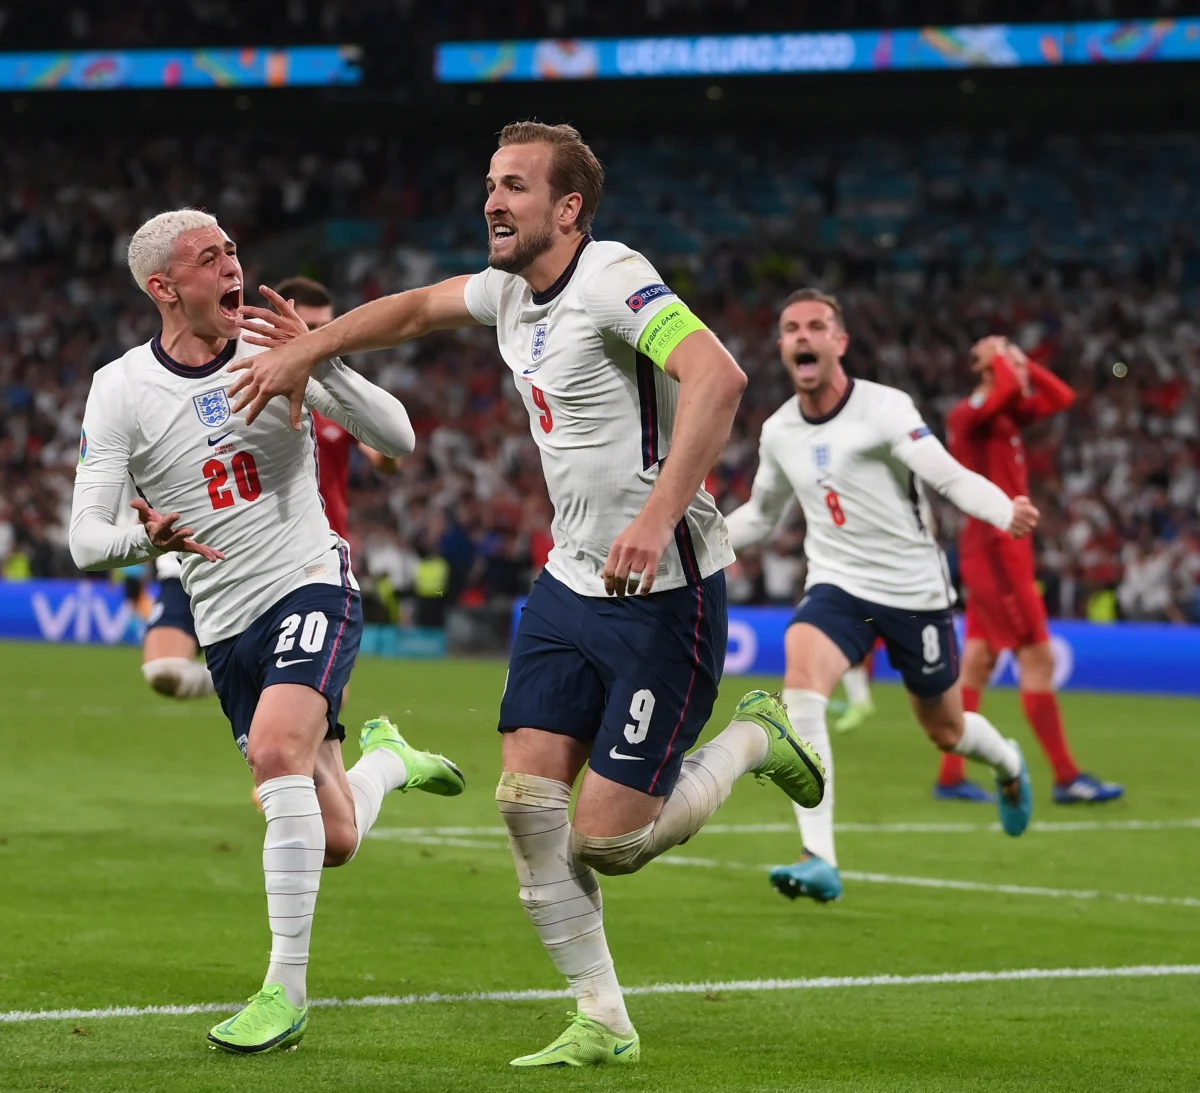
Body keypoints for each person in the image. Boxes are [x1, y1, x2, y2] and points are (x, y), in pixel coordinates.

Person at [227, 120, 826, 1069]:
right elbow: (415, 310)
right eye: (491, 185)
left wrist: (653, 512)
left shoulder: (615, 279)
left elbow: (719, 376)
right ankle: (603, 1016)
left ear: (568, 207)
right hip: (569, 583)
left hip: (665, 588)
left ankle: (757, 736)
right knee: (524, 801)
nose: (492, 202)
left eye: (513, 186)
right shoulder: (510, 291)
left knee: (610, 843)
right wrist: (311, 350)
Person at [68, 208, 465, 1055]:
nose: (232, 267)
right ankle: (391, 760)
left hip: (310, 581)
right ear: (163, 288)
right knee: (335, 840)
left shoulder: (272, 347)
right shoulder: (119, 389)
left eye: (233, 250)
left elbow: (398, 436)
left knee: (277, 753)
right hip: (223, 622)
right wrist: (152, 540)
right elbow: (85, 540)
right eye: (209, 259)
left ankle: (282, 991)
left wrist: (319, 354)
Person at [725, 289, 1038, 906]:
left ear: (840, 343)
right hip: (837, 584)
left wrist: (1004, 510)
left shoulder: (885, 407)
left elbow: (944, 474)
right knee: (802, 678)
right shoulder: (780, 430)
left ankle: (1007, 762)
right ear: (783, 346)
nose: (803, 336)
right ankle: (819, 856)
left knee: (945, 730)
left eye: (817, 326)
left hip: (914, 592)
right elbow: (760, 518)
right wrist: (678, 543)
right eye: (791, 328)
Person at [934, 337, 1124, 804]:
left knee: (977, 662)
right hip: (997, 552)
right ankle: (1067, 777)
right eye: (997, 357)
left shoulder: (1005, 414)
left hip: (1002, 550)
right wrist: (1004, 356)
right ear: (984, 368)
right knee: (1038, 658)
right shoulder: (968, 415)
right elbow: (998, 393)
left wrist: (1024, 364)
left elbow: (1063, 397)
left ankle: (951, 775)